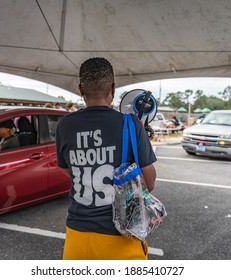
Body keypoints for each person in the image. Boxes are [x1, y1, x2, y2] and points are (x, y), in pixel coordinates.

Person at [55, 57, 157, 260]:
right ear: (113, 88)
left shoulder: (64, 125)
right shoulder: (130, 124)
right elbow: (149, 183)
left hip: (77, 238)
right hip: (122, 237)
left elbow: (70, 171)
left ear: (80, 89)